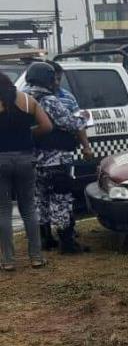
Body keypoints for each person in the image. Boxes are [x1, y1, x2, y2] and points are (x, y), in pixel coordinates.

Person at [23, 62, 89, 254]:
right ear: (47, 79)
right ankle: (67, 243)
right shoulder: (48, 100)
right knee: (61, 200)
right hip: (56, 159)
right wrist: (83, 118)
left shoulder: (23, 98)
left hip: (33, 160)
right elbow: (69, 123)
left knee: (40, 200)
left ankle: (45, 240)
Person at [0, 70, 52, 270]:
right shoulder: (27, 100)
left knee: (3, 210)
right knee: (29, 208)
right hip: (25, 159)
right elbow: (47, 126)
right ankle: (36, 257)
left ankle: (7, 261)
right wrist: (29, 135)